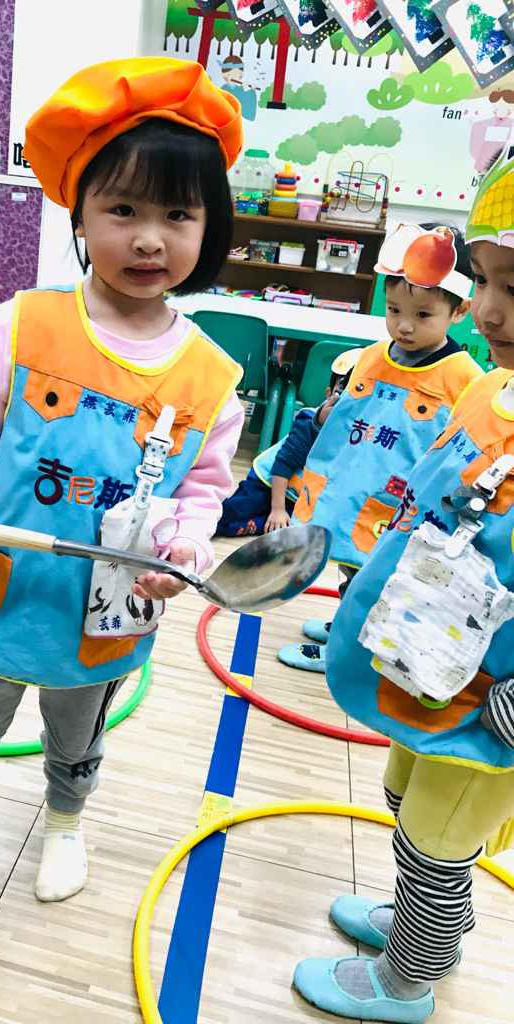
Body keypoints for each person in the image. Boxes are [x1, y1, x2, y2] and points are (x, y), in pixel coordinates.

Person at [0, 58, 246, 907]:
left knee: (78, 735)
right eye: (123, 209)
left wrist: (184, 549)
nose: (149, 238)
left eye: (178, 214)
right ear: (80, 213)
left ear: (209, 228)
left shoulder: (211, 378)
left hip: (108, 614)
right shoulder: (19, 326)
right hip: (1, 590)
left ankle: (63, 820)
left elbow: (200, 491)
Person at [293, 144, 514, 1024]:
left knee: (437, 838)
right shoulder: (492, 390)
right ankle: (428, 925)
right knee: (404, 796)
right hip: (427, 664)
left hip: (491, 705)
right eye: (485, 281)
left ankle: (407, 978)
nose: (488, 311)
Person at [278, 223, 483, 672]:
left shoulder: (466, 379)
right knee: (351, 565)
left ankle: (345, 651)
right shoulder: (371, 357)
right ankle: (343, 625)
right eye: (393, 310)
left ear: (459, 311)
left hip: (403, 504)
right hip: (355, 489)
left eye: (423, 315)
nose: (404, 325)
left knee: (378, 579)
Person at [216, 350, 361, 537]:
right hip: (268, 483)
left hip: (298, 495)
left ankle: (252, 524)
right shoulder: (310, 420)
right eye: (342, 393)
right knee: (228, 515)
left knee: (291, 528)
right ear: (328, 394)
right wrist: (277, 509)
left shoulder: (361, 433)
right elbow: (284, 463)